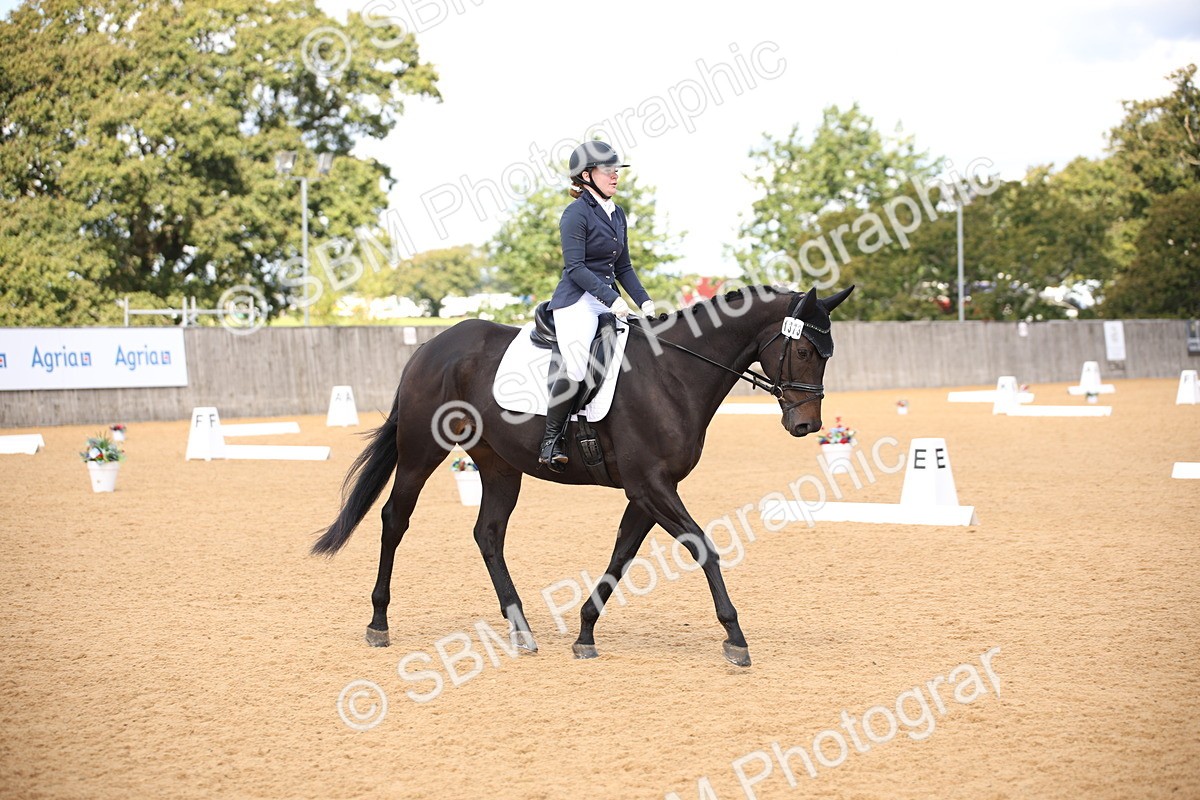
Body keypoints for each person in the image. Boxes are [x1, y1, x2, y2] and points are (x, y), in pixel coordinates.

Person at [538, 141, 656, 471]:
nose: (615, 175)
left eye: (616, 169)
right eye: (608, 170)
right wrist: (613, 299)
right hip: (577, 302)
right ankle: (550, 440)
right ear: (587, 175)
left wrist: (645, 301)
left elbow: (624, 267)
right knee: (577, 368)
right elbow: (575, 268)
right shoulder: (575, 214)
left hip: (608, 300)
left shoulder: (617, 213)